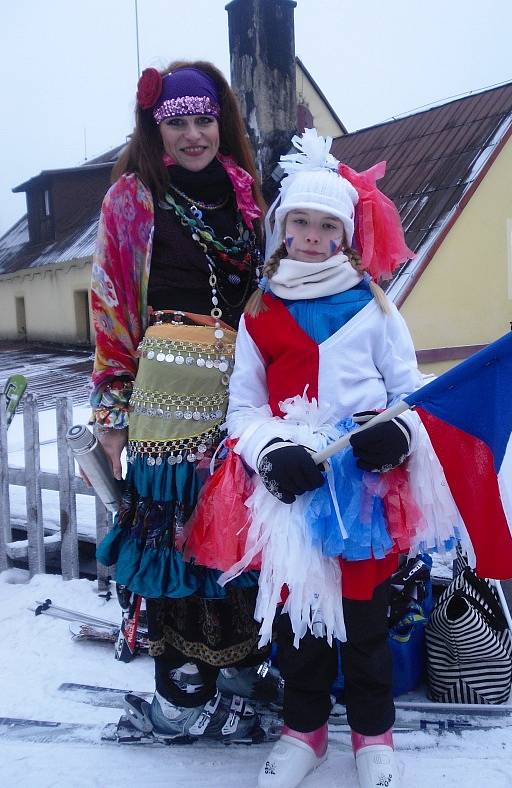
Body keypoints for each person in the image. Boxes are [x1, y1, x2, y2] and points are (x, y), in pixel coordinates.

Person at [186, 129, 456, 787]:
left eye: (324, 224)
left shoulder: (375, 308)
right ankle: (302, 733)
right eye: (298, 221)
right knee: (299, 632)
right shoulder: (259, 309)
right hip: (292, 495)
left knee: (366, 628)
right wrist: (270, 449)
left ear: (345, 232)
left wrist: (401, 436)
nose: (310, 234)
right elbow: (243, 409)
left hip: (362, 492)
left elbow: (411, 394)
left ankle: (373, 737)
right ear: (281, 227)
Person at [90, 60, 277, 743]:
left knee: (235, 539)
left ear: (220, 123)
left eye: (204, 120)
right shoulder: (132, 201)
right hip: (166, 400)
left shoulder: (248, 197)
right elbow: (110, 306)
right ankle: (181, 688)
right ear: (156, 128)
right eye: (178, 123)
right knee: (173, 538)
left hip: (245, 397)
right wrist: (111, 412)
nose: (194, 135)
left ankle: (240, 672)